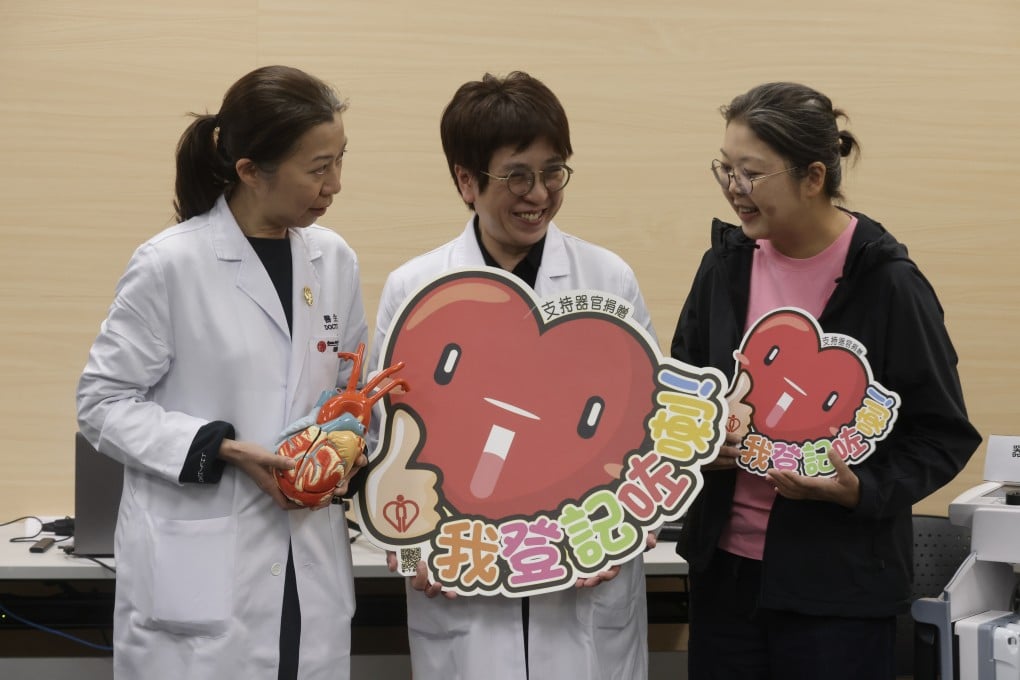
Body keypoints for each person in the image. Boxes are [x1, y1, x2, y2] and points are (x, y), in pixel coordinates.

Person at [670, 81, 981, 680]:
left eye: (752, 173)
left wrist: (859, 489)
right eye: (726, 169)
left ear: (813, 176)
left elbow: (943, 434)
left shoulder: (887, 282)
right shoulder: (725, 266)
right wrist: (700, 444)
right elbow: (682, 393)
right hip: (725, 579)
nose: (735, 189)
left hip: (837, 590)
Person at [76, 65, 369, 680]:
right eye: (318, 168)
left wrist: (349, 445)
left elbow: (350, 388)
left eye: (340, 160)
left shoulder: (333, 260)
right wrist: (221, 448)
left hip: (306, 562)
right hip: (203, 569)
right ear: (249, 171)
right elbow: (101, 404)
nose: (336, 183)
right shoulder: (170, 264)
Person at [369, 71, 653, 680]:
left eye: (553, 172)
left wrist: (627, 527)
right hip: (464, 573)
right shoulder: (416, 289)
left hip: (583, 573)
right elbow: (387, 437)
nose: (539, 194)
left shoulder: (607, 280)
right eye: (517, 175)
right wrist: (412, 540)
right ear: (466, 181)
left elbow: (644, 432)